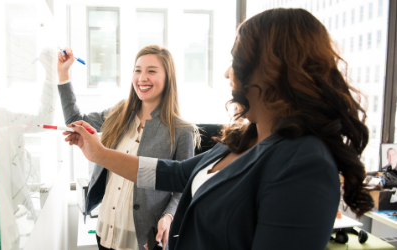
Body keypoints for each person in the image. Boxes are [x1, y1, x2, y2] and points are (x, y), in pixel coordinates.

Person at [63, 8, 374, 250]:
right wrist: (100, 154)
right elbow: (175, 174)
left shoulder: (305, 163)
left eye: (236, 60)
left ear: (272, 69)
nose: (227, 73)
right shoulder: (244, 138)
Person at [57, 45, 197, 250]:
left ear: (168, 77)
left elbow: (183, 188)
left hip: (144, 238)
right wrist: (63, 73)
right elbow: (75, 121)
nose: (142, 77)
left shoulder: (182, 130)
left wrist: (168, 217)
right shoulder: (120, 112)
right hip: (106, 229)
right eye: (137, 70)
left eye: (151, 71)